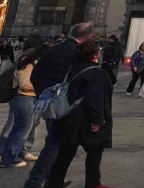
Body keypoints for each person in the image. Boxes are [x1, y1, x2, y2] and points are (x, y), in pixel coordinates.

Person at [22, 22, 97, 188]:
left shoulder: (54, 48)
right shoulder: (78, 52)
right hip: (66, 106)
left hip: (48, 103)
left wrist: (43, 94)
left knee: (56, 141)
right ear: (89, 37)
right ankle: (34, 183)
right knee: (55, 143)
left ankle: (52, 178)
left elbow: (36, 74)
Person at [42, 38, 113, 188]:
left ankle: (54, 183)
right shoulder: (97, 72)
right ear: (95, 54)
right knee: (95, 151)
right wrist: (97, 120)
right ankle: (93, 183)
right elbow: (96, 98)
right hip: (86, 119)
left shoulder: (72, 68)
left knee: (65, 153)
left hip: (69, 116)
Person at [0, 46, 40, 168]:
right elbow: (25, 85)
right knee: (19, 128)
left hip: (29, 98)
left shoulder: (29, 65)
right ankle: (5, 155)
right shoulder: (28, 66)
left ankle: (17, 152)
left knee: (27, 127)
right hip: (24, 97)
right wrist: (41, 86)